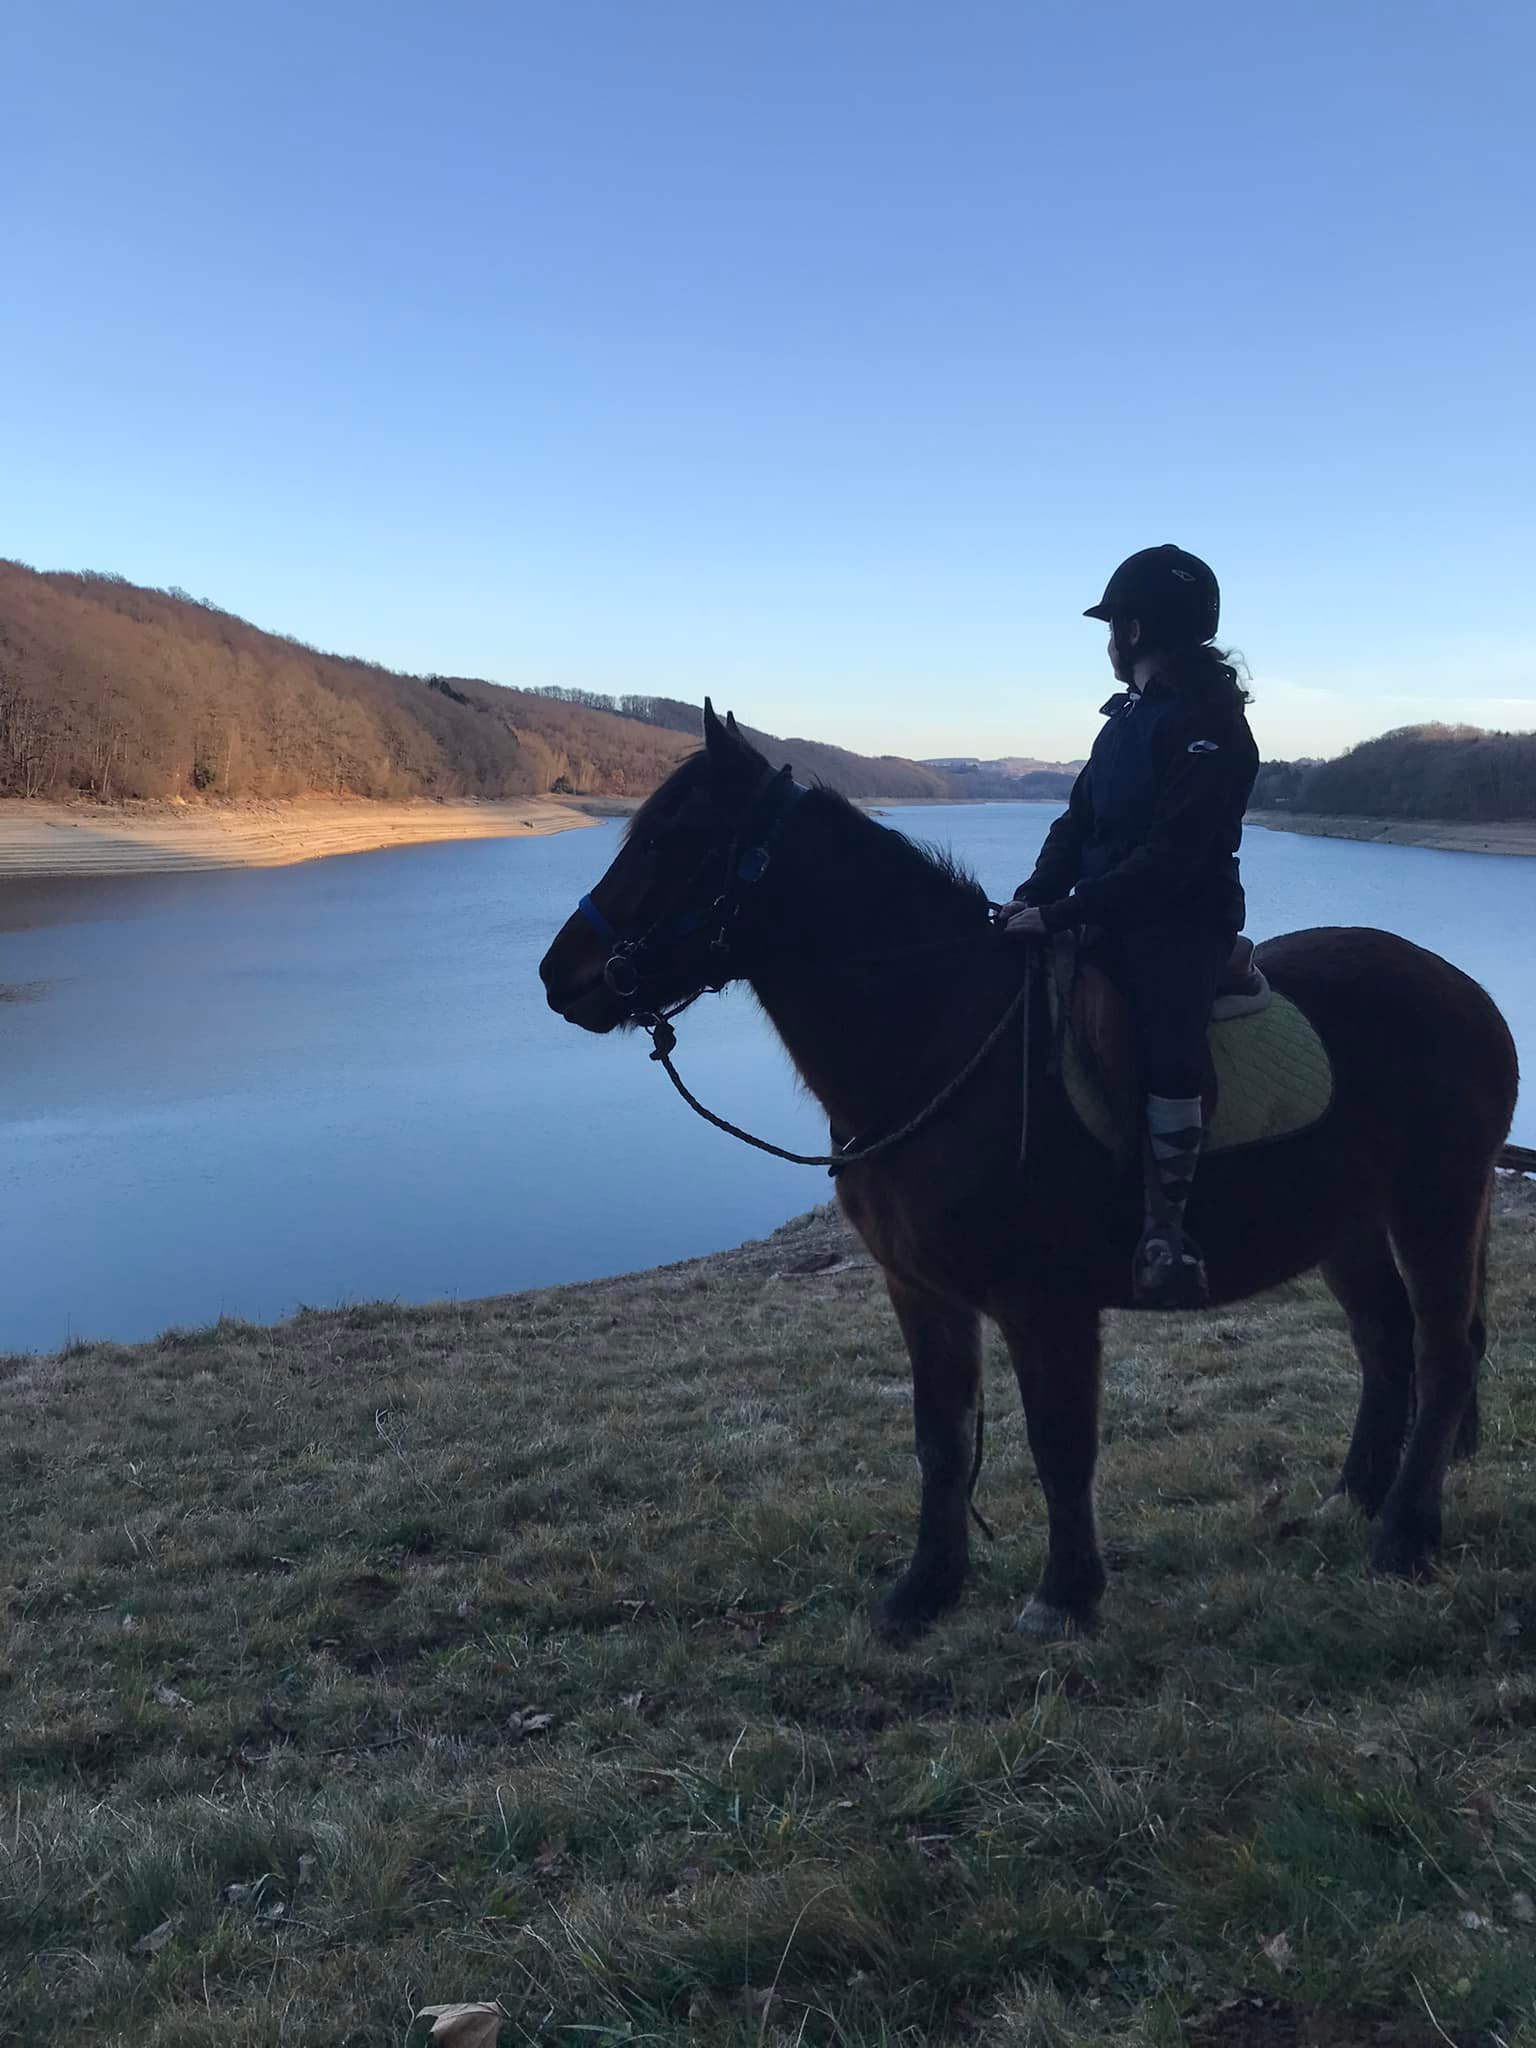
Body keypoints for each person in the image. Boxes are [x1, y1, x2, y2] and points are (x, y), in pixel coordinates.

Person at [1000, 545, 1259, 1310]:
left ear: (1136, 629)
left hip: (1180, 925)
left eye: (1113, 625)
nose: (1109, 641)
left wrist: (1065, 911)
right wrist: (1030, 901)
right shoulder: (1125, 723)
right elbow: (1076, 825)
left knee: (1168, 1047)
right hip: (1108, 915)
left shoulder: (1214, 726)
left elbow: (1173, 857)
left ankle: (1165, 1230)